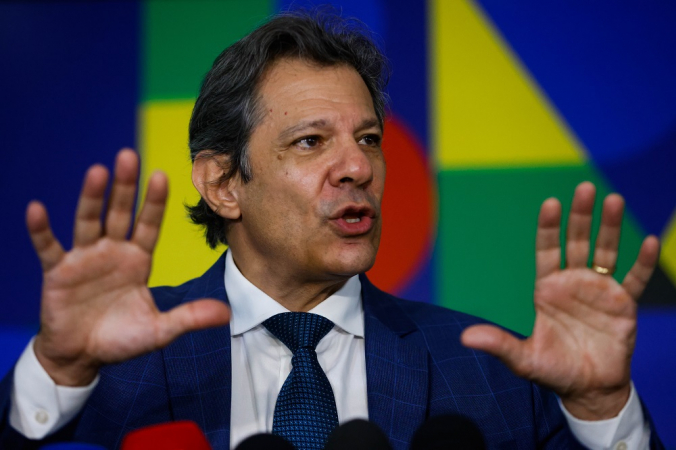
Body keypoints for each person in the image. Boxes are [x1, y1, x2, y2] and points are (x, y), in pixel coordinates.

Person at [0, 11, 664, 450]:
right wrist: (58, 369)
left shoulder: (490, 374)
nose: (358, 167)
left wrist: (602, 404)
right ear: (224, 183)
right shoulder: (112, 368)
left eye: (368, 139)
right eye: (311, 141)